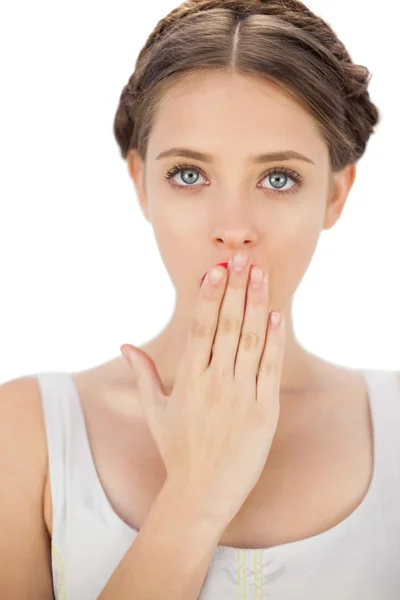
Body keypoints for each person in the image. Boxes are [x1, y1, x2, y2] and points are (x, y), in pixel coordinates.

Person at [1, 0, 398, 599]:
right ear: (140, 184)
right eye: (188, 174)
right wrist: (196, 495)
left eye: (279, 177)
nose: (233, 226)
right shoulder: (25, 432)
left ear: (336, 196)